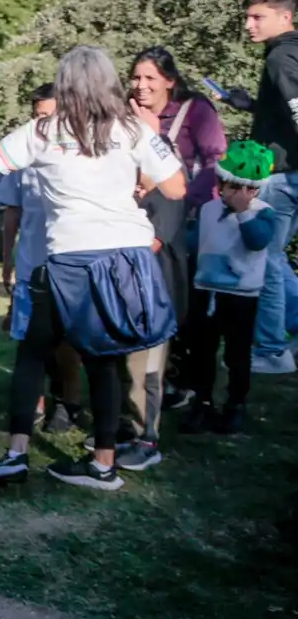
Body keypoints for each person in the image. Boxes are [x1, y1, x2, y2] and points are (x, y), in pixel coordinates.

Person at [0, 47, 185, 490]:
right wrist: (131, 187)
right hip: (126, 254)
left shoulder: (43, 130)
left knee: (33, 351)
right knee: (104, 360)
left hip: (67, 257)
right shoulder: (134, 128)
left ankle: (16, 453)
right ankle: (103, 464)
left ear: (64, 84)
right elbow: (177, 187)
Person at [0, 85, 83, 433]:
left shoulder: (82, 156)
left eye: (48, 116)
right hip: (32, 262)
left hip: (68, 260)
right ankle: (34, 404)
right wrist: (7, 259)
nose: (42, 123)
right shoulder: (24, 155)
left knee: (65, 341)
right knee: (30, 338)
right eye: (38, 116)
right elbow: (12, 212)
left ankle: (68, 402)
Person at [180, 143, 278, 435]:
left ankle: (235, 404)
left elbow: (258, 241)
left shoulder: (263, 213)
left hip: (240, 294)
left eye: (240, 187)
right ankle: (203, 401)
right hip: (205, 289)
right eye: (226, 185)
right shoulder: (208, 209)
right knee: (201, 350)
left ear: (253, 190)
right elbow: (197, 242)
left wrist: (244, 213)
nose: (231, 192)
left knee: (237, 353)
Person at [226, 0, 298, 375]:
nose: (249, 24)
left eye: (258, 17)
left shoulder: (280, 58)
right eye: (248, 16)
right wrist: (251, 106)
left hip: (283, 178)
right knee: (277, 258)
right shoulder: (290, 53)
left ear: (285, 17)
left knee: (265, 261)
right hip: (290, 174)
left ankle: (272, 351)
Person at [116, 167, 189, 469]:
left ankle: (147, 440)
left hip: (156, 303)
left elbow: (150, 246)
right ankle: (129, 432)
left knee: (145, 374)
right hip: (136, 298)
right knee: (128, 368)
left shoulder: (168, 197)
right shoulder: (144, 197)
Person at [127, 46, 226, 212]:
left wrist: (189, 198)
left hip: (185, 212)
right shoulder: (123, 112)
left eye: (150, 78)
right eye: (136, 78)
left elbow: (216, 157)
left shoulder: (195, 109)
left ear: (170, 81)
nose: (141, 85)